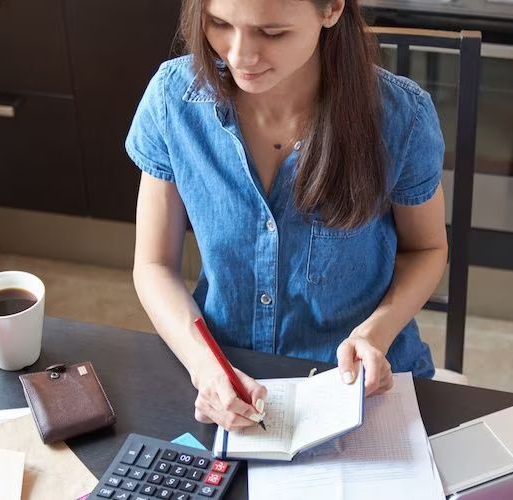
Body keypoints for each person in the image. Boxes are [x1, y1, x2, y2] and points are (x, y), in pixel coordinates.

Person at [127, 0, 447, 432]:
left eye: (271, 33)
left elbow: (426, 248)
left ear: (331, 9)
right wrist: (206, 367)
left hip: (363, 386)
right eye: (220, 23)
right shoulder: (173, 100)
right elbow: (153, 266)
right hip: (228, 380)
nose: (239, 55)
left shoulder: (400, 117)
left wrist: (376, 333)